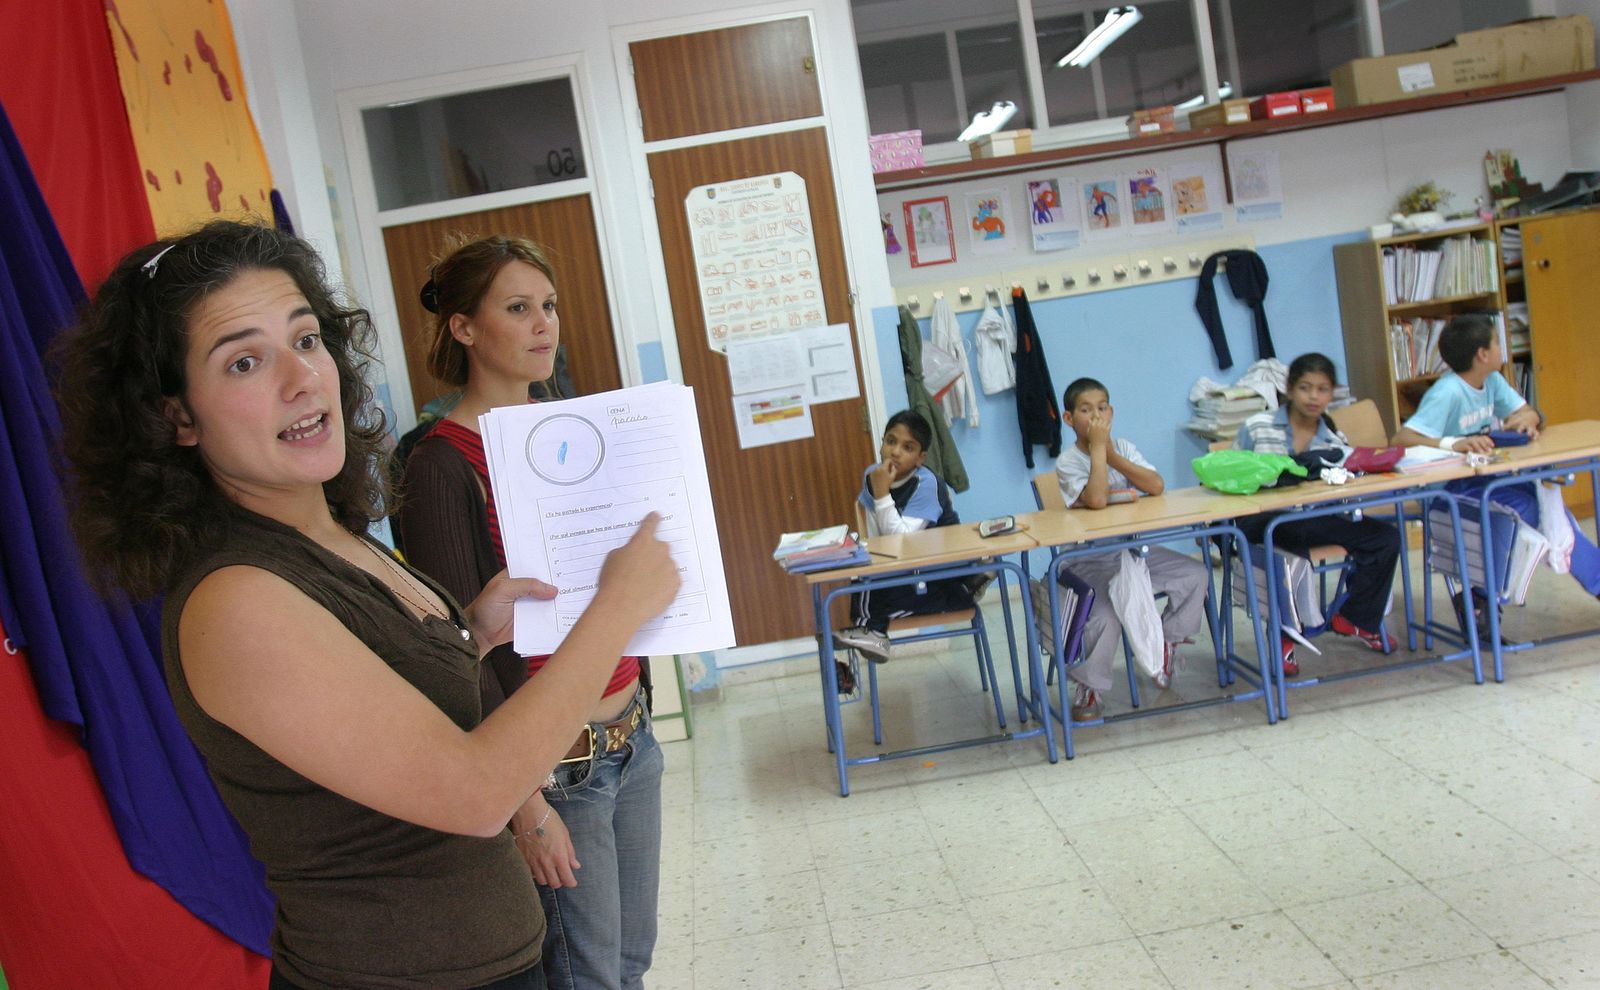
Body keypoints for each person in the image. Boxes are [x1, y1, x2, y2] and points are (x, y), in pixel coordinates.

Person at [53, 220, 680, 990]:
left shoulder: (333, 534)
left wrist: (474, 635)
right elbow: (475, 791)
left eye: (307, 340)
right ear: (176, 417)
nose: (301, 378)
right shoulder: (237, 598)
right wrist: (615, 609)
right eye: (245, 361)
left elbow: (387, 711)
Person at [397, 234, 662, 990]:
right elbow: (457, 659)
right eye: (518, 308)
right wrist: (526, 805)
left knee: (630, 964)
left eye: (547, 306)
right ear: (465, 328)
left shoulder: (575, 433)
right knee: (586, 979)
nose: (544, 324)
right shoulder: (440, 464)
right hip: (557, 768)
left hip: (631, 740)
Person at [1393, 313, 1600, 614]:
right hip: (1450, 488)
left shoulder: (1492, 381)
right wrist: (1454, 444)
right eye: (1497, 343)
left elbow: (1526, 411)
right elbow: (1401, 439)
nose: (1502, 350)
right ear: (1483, 355)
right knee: (1527, 511)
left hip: (1486, 479)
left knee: (1551, 509)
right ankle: (1483, 598)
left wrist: (1529, 419)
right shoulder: (1447, 392)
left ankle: (1485, 598)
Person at [1235, 353, 1401, 674]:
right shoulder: (1257, 427)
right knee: (1288, 547)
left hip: (1312, 518)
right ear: (1289, 390)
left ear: (1331, 393)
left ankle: (1354, 618)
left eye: (1322, 389)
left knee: (1385, 537)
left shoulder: (1333, 438)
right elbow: (1229, 475)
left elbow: (1344, 484)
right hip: (1261, 521)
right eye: (1305, 388)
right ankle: (1285, 635)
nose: (1314, 397)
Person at [1054, 378, 1209, 721]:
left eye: (1102, 407)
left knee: (1195, 574)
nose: (1096, 416)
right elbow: (1095, 500)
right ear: (1069, 419)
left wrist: (1111, 454)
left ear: (1112, 412)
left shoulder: (1123, 447)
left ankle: (1163, 644)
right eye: (1086, 410)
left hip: (1134, 551)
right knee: (1106, 611)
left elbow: (1155, 485)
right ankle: (1089, 686)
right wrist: (1097, 452)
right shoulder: (1068, 462)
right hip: (1087, 558)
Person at [833, 411, 974, 668]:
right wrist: (872, 561)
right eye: (890, 441)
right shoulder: (873, 475)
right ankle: (871, 630)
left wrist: (883, 492)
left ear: (920, 458)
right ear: (881, 443)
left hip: (939, 564)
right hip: (910, 563)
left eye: (907, 447)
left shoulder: (926, 483)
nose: (895, 452)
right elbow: (878, 536)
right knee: (864, 572)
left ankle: (961, 591)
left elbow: (901, 542)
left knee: (885, 582)